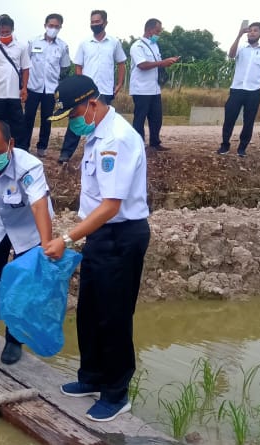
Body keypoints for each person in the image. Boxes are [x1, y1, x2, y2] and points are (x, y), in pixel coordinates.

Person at [47, 75, 149, 423]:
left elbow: (110, 206)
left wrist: (67, 239)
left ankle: (116, 394)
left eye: (72, 113)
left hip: (121, 236)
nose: (71, 123)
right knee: (90, 309)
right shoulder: (95, 134)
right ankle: (90, 378)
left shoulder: (116, 139)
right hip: (100, 236)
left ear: (91, 104)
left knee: (114, 316)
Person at [0, 119, 59, 365]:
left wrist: (46, 244)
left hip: (29, 226)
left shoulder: (29, 167)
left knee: (21, 283)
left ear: (11, 145)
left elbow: (39, 205)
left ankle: (14, 339)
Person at [59, 10, 126, 164]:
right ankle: (66, 153)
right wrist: (79, 86)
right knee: (76, 119)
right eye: (92, 22)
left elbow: (121, 63)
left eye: (97, 22)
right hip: (86, 92)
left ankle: (100, 152)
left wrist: (120, 83)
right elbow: (78, 66)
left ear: (105, 22)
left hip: (105, 90)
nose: (94, 24)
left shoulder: (114, 43)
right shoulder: (84, 43)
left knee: (104, 123)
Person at [218, 21, 260, 158]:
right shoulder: (241, 48)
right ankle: (225, 145)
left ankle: (242, 148)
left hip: (254, 92)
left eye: (256, 30)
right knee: (229, 118)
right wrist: (239, 35)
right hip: (237, 89)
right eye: (251, 30)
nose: (252, 32)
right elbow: (231, 55)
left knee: (249, 121)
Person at [22, 13, 70, 157]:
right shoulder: (33, 42)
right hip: (33, 87)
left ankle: (42, 147)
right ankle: (24, 146)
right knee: (28, 117)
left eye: (56, 26)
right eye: (51, 26)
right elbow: (25, 64)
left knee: (47, 119)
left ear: (60, 27)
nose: (53, 29)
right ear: (45, 25)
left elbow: (64, 67)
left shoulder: (63, 46)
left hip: (50, 89)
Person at [130, 18, 179, 152]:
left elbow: (157, 64)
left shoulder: (154, 46)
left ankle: (155, 143)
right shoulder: (137, 46)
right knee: (140, 118)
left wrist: (167, 62)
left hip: (154, 89)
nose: (159, 34)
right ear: (149, 30)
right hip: (141, 89)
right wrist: (162, 63)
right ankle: (138, 145)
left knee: (156, 118)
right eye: (158, 31)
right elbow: (142, 65)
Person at [0, 15, 29, 147]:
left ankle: (21, 150)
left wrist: (24, 88)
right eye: (2, 32)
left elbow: (26, 69)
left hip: (14, 94)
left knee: (18, 124)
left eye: (7, 32)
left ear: (12, 30)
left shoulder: (21, 47)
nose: (5, 35)